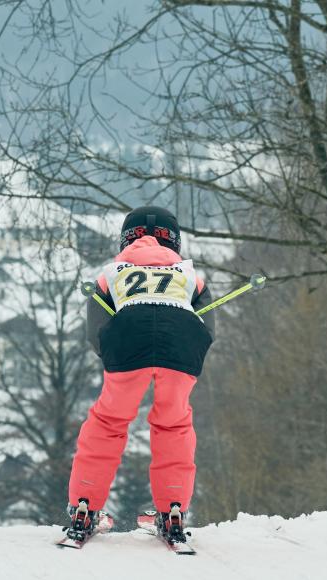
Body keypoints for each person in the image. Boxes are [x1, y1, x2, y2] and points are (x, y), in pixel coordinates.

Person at [65, 206, 214, 545]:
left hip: (127, 338)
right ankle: (172, 509)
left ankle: (84, 507)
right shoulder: (189, 274)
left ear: (125, 238)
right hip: (182, 340)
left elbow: (95, 329)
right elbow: (209, 323)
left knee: (109, 421)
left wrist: (114, 357)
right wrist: (189, 355)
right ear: (174, 241)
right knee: (173, 423)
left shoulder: (113, 272)